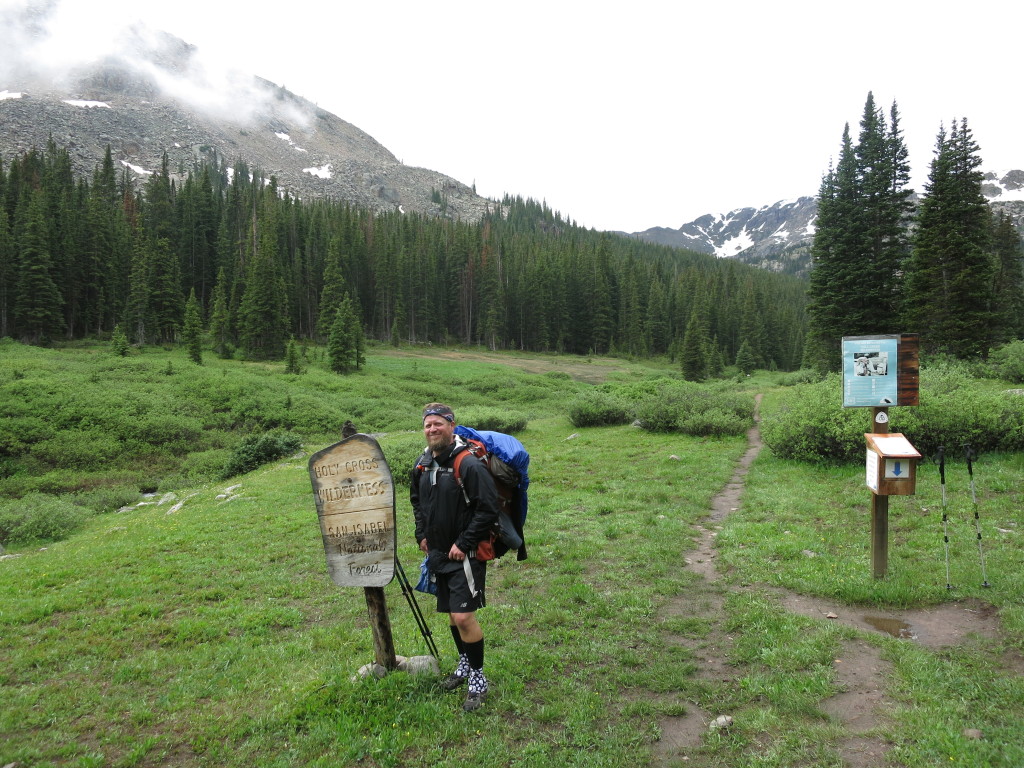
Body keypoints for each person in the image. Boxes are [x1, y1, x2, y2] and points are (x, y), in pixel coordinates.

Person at [411, 403, 499, 712]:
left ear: (451, 425)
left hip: (466, 554)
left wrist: (464, 542)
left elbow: (488, 507)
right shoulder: (423, 464)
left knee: (463, 616)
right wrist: (421, 534)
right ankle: (463, 663)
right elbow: (417, 502)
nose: (432, 429)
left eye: (438, 424)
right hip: (438, 552)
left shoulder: (468, 464)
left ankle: (478, 678)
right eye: (427, 425)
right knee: (451, 612)